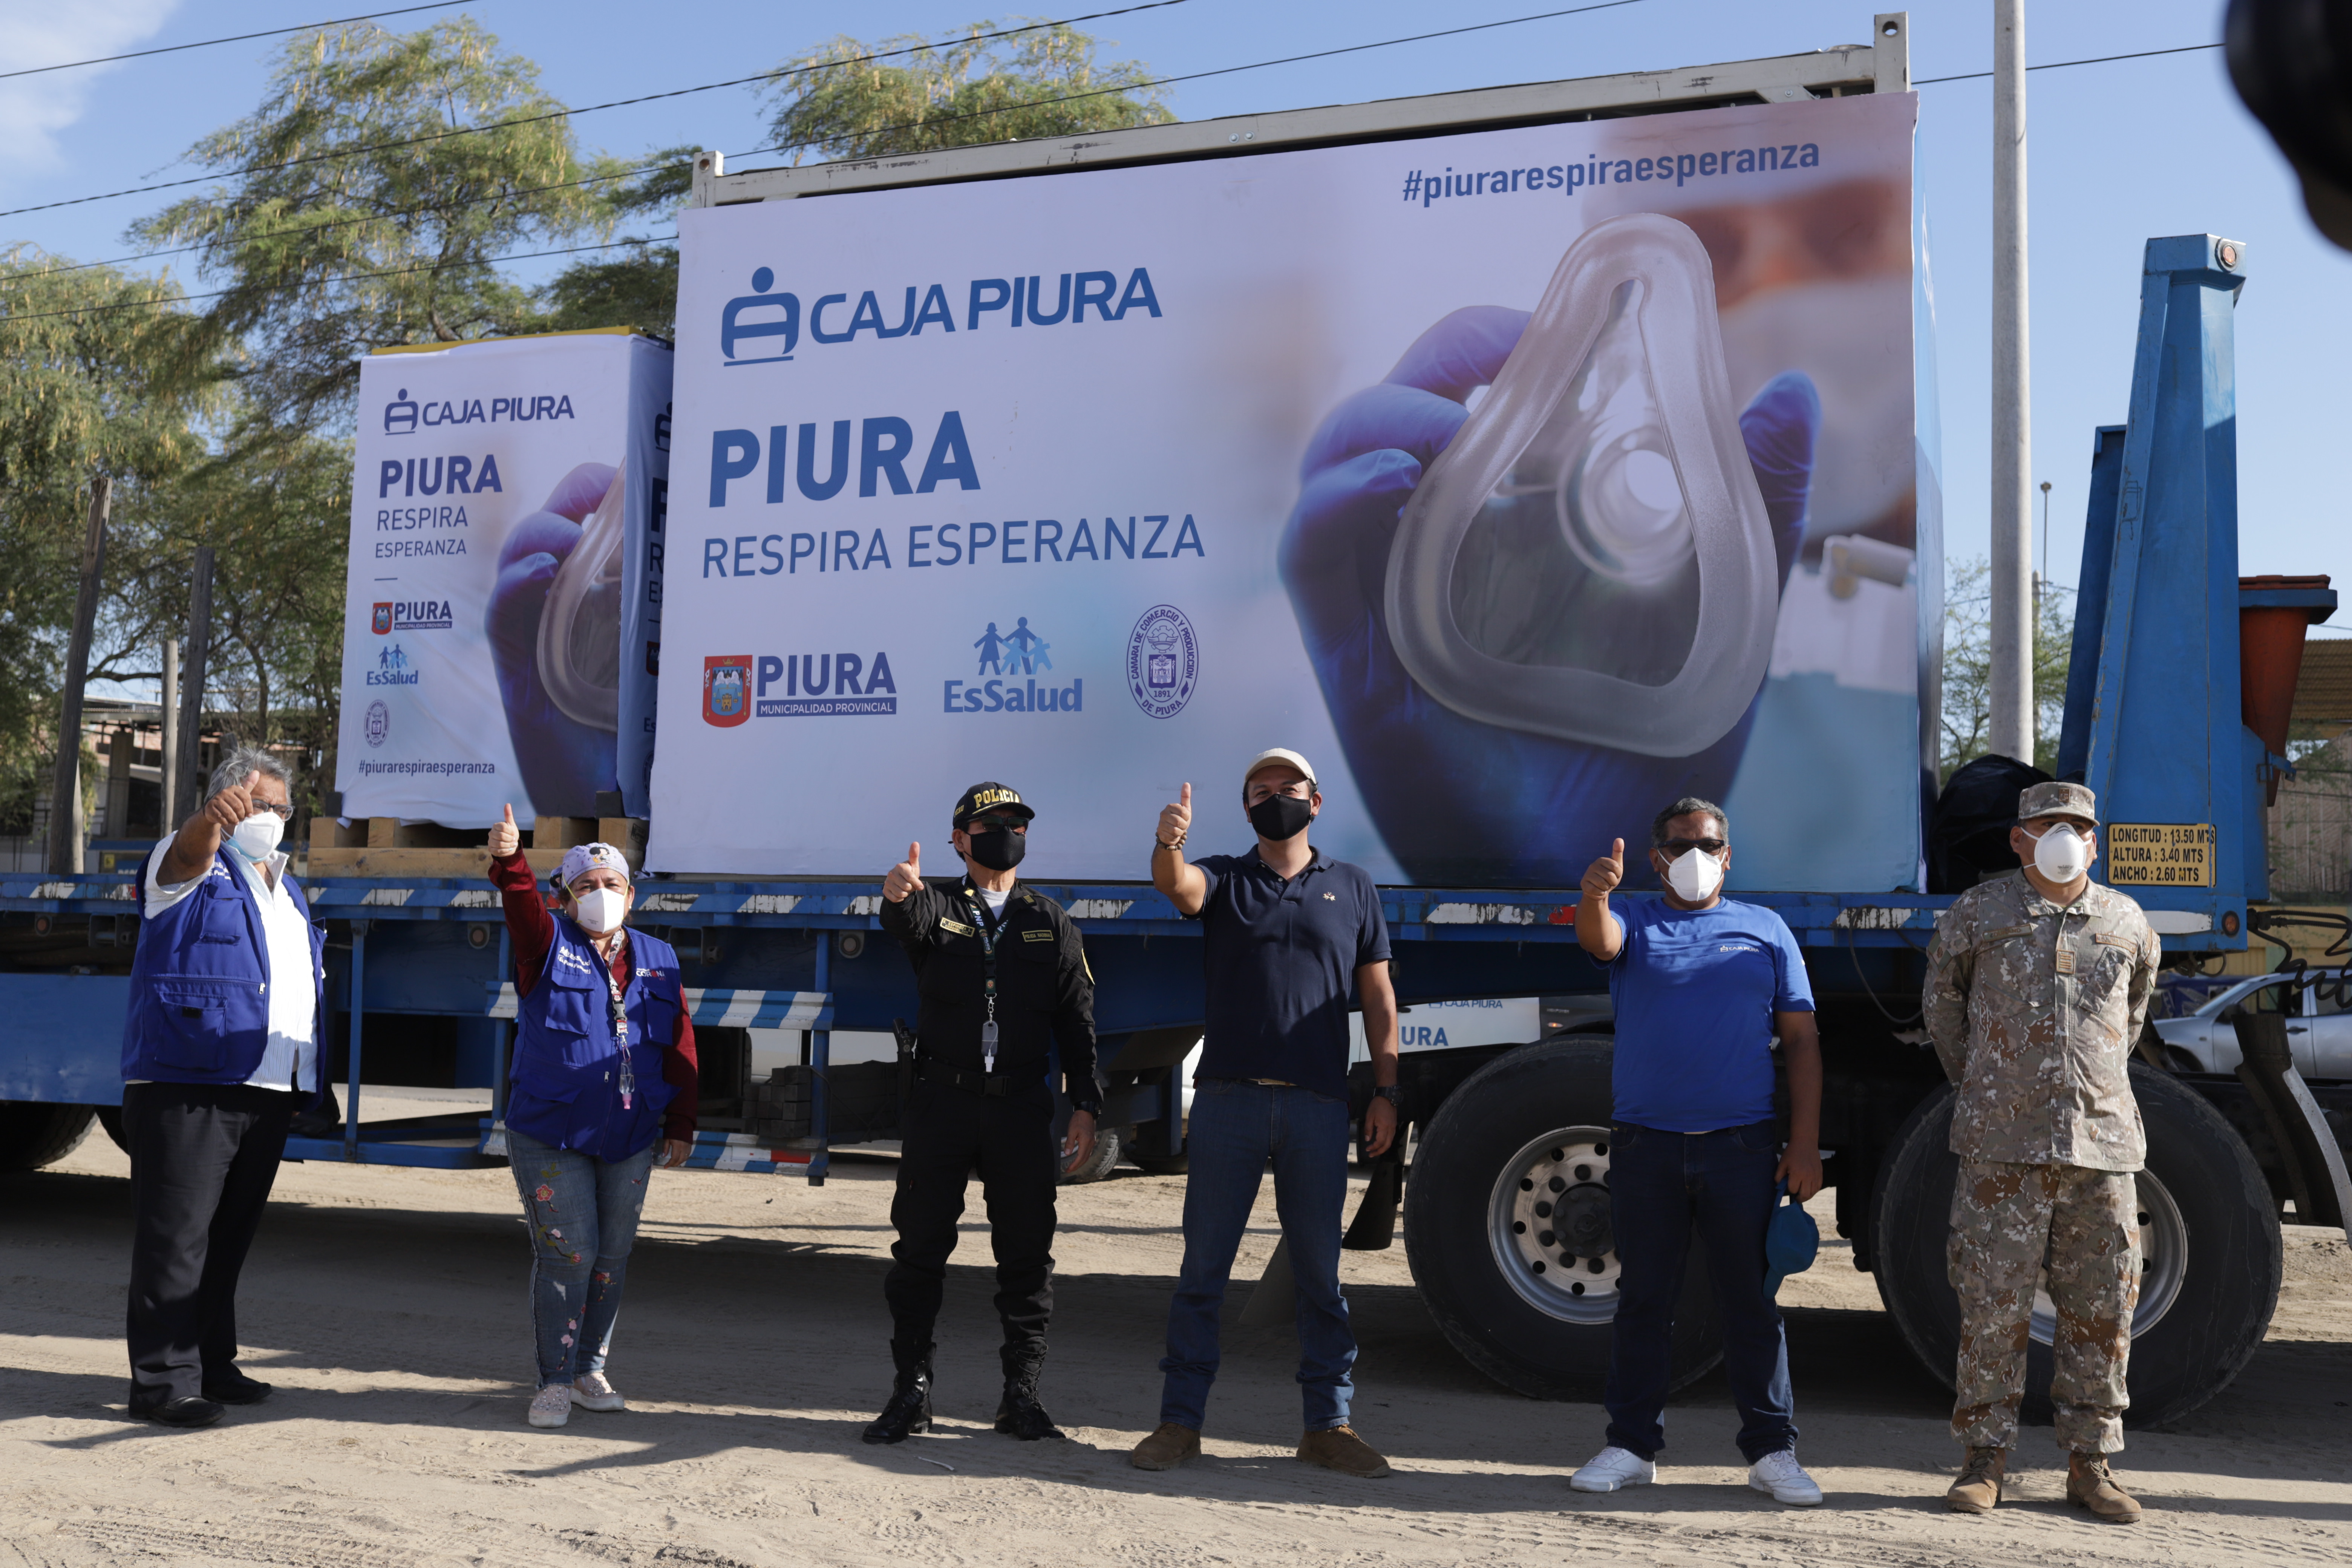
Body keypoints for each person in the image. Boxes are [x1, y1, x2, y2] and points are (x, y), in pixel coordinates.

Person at [1129, 749, 1401, 1480]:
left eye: (1289, 789)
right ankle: (1179, 1422)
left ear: (1317, 802)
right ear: (1247, 807)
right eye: (1261, 790)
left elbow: (1378, 999)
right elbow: (1179, 889)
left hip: (1317, 1106)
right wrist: (1170, 843)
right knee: (1203, 1270)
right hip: (1228, 1102)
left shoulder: (1353, 887)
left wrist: (1387, 1089)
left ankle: (1328, 1426)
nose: (1275, 798)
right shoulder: (1225, 876)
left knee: (1320, 1275)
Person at [1566, 796, 1826, 1506]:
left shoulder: (1766, 931)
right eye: (1680, 846)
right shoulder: (1637, 922)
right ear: (1656, 859)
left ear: (1728, 855)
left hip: (1742, 1149)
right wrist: (1594, 895)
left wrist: (1803, 1144)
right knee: (1645, 1300)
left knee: (1751, 1301)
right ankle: (1630, 1446)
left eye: (1708, 844)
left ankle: (1773, 1451)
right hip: (1647, 1147)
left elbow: (1801, 1041)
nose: (1695, 857)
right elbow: (1600, 942)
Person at [1924, 781, 2159, 1524]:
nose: (2066, 836)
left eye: (2079, 827)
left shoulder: (2126, 920)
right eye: (2048, 824)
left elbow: (2135, 1014)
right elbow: (1943, 1008)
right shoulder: (1979, 913)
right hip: (2003, 1146)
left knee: (2101, 1309)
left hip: (2103, 1147)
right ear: (2019, 840)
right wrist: (1989, 1082)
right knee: (1991, 1305)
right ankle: (1983, 1460)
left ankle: (2091, 1466)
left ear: (2096, 841)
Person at [868, 782, 1102, 1445]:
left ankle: (1020, 1398)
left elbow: (1078, 1022)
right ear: (960, 840)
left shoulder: (1050, 919)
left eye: (1016, 822)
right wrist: (899, 894)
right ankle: (911, 1393)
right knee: (918, 1253)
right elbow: (903, 924)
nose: (1007, 831)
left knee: (1028, 1259)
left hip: (1022, 1109)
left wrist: (1086, 1105)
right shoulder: (934, 904)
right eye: (991, 822)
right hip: (942, 1102)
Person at [120, 747, 326, 1427]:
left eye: (278, 808)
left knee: (227, 1238)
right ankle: (161, 1384)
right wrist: (208, 822)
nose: (267, 817)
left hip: (266, 1087)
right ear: (224, 804)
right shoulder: (187, 867)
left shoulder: (288, 890)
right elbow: (188, 855)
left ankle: (210, 1363)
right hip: (189, 1083)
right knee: (176, 1241)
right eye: (254, 804)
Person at [486, 806, 698, 1429]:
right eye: (584, 887)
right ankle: (553, 1379)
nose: (599, 896)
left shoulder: (659, 958)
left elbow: (680, 1042)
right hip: (551, 1130)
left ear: (632, 895)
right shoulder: (545, 943)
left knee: (612, 1253)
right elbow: (522, 905)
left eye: (610, 885)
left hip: (630, 1134)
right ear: (565, 898)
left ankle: (588, 1369)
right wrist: (510, 863)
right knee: (568, 1255)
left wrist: (681, 1121)